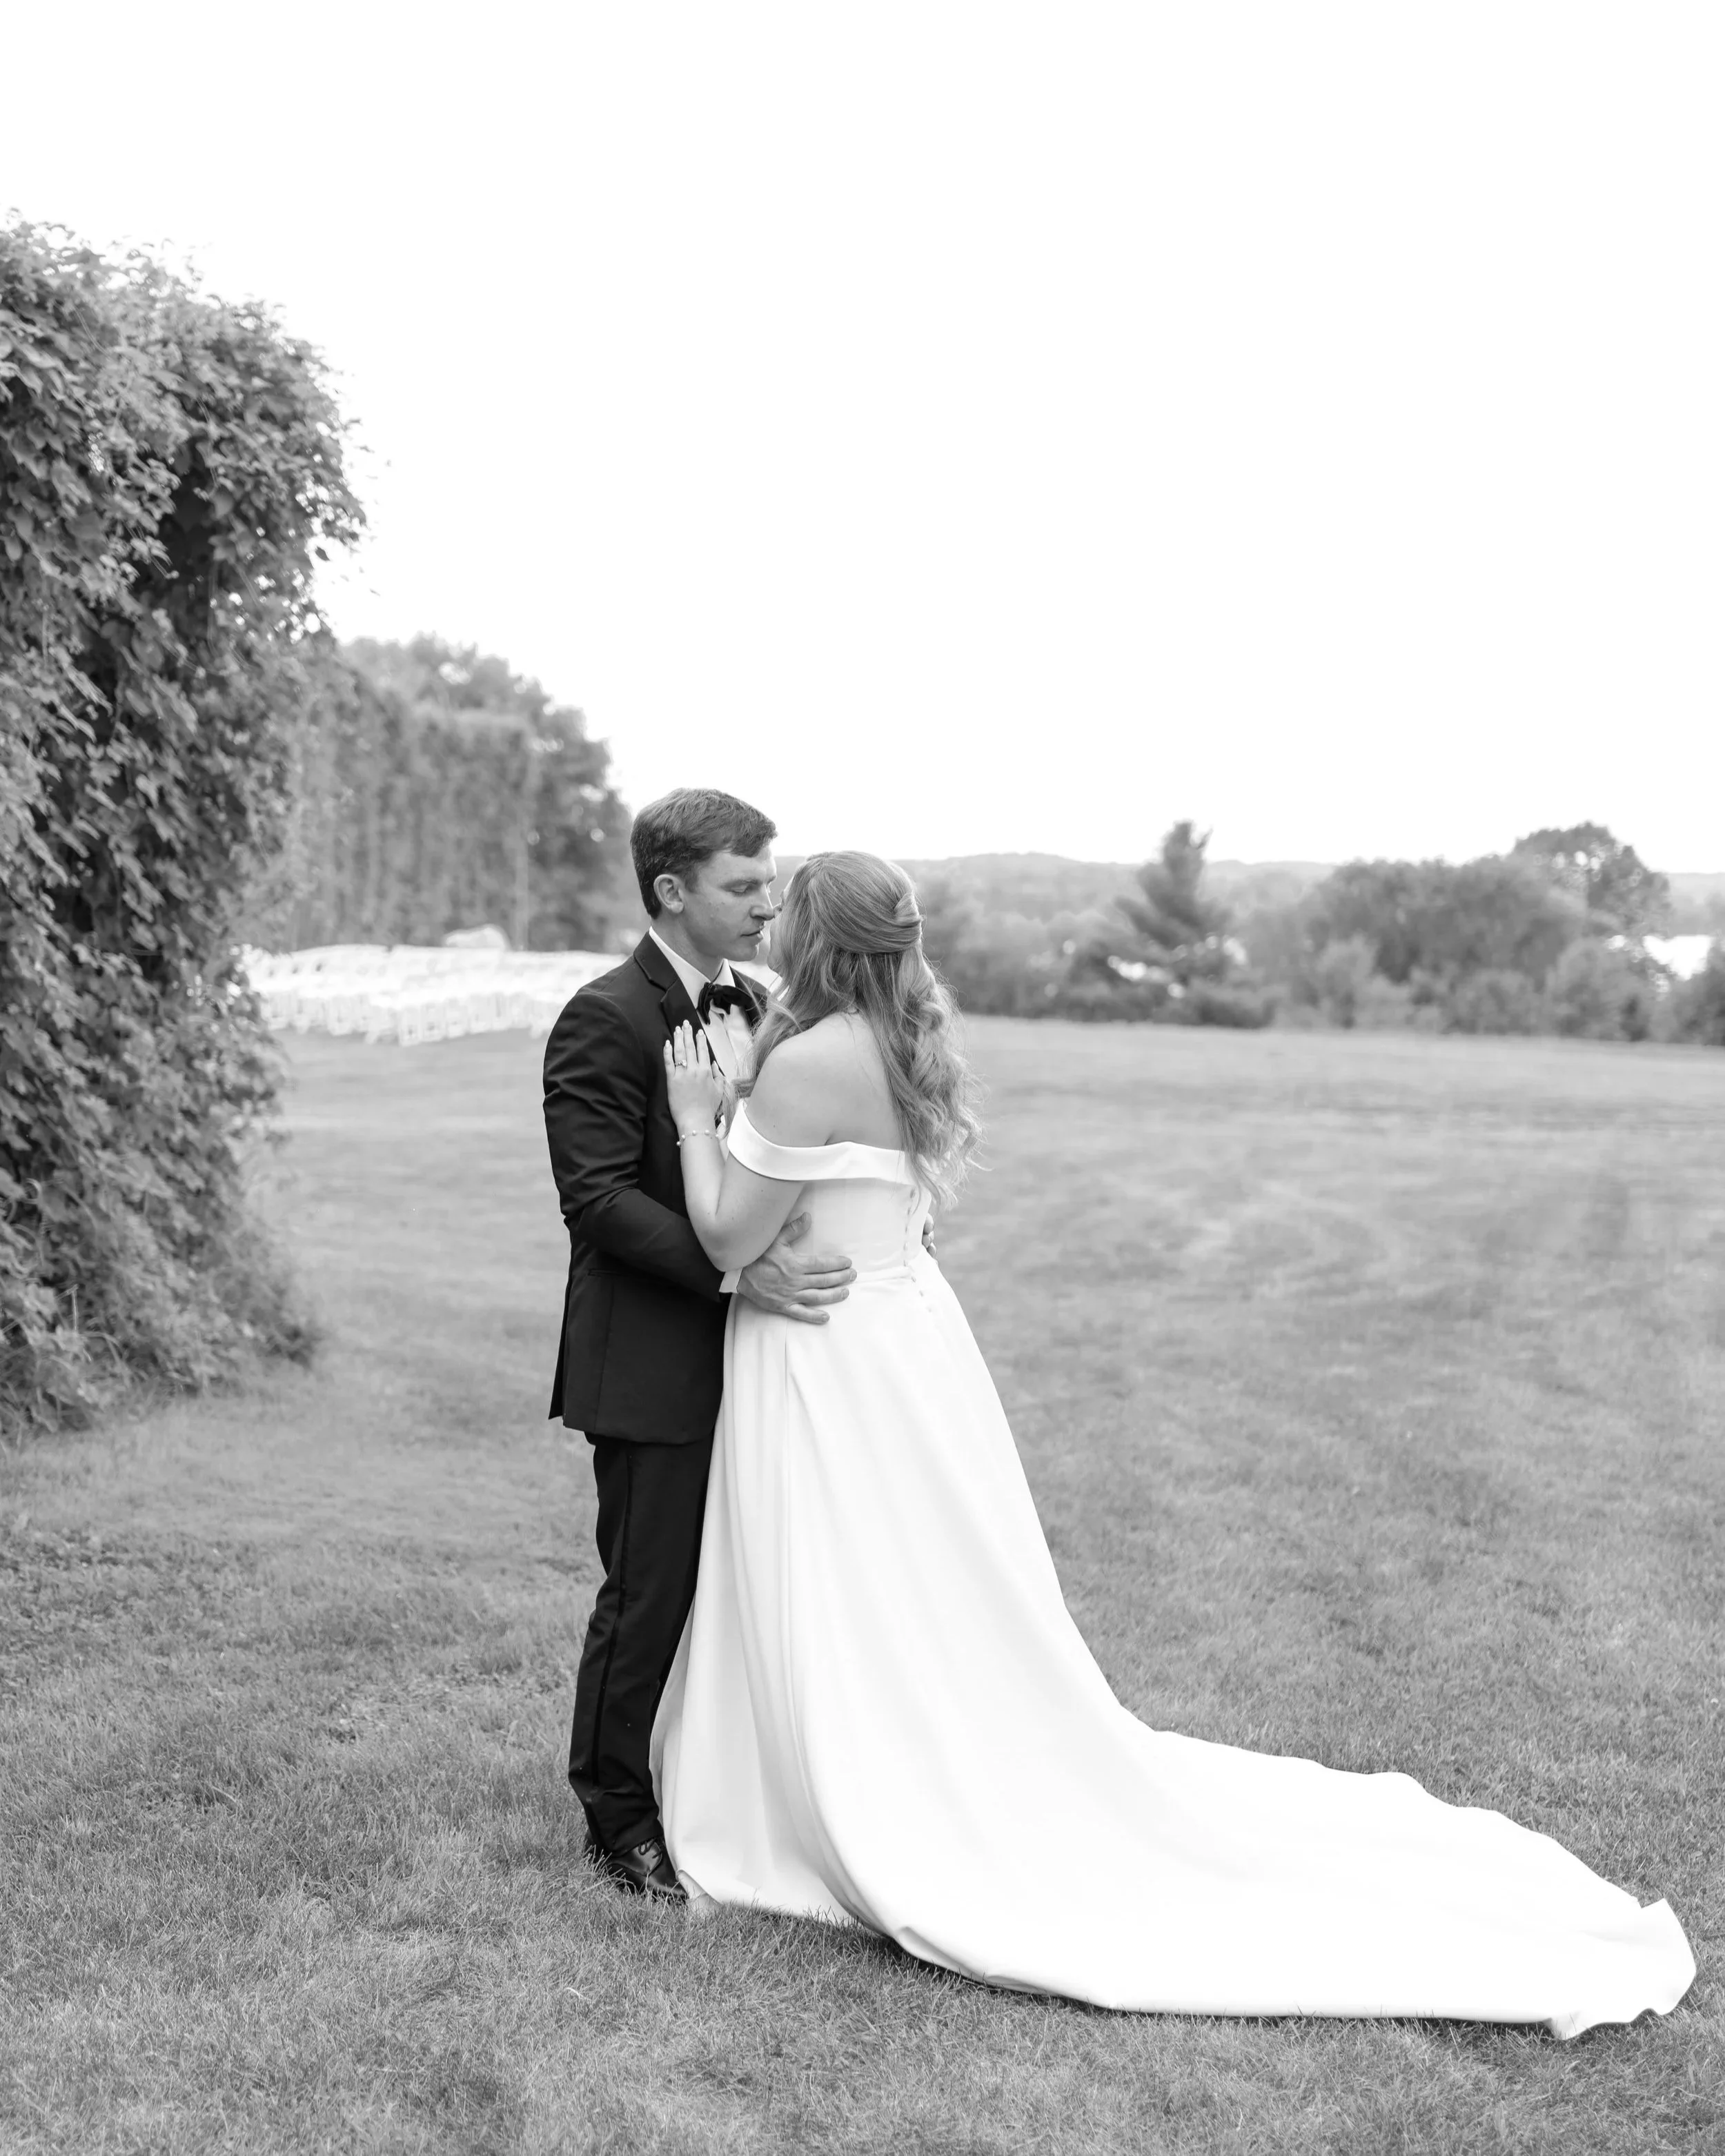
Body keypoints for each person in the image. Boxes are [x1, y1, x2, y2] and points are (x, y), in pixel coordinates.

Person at [651, 847, 1696, 2037]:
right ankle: (912, 1754)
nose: (770, 920)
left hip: (829, 1358)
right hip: (907, 1345)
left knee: (840, 1577)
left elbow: (734, 1236)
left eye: (785, 907)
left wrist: (703, 1114)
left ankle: (845, 1792)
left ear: (817, 937)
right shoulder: (897, 1039)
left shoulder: (801, 1061)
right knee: (918, 1588)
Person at [542, 789, 858, 1899]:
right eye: (743, 885)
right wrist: (736, 1267)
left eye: (771, 883)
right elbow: (600, 1201)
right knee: (651, 1591)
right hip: (653, 1356)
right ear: (672, 892)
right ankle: (618, 1819)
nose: (768, 906)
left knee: (754, 1585)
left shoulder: (768, 1002)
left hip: (774, 1363)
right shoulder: (603, 1016)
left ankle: (728, 1791)